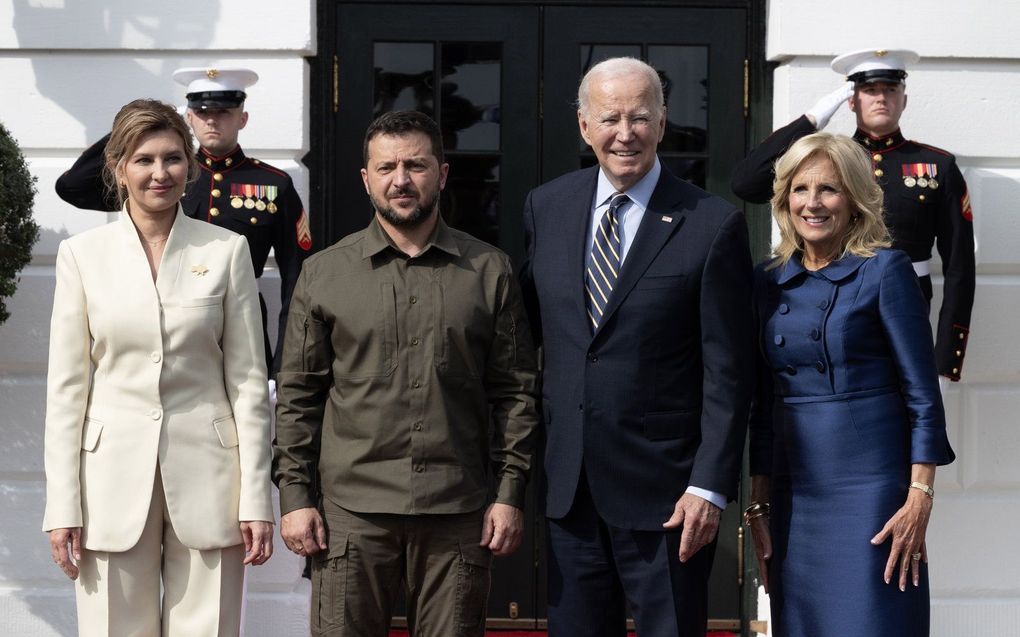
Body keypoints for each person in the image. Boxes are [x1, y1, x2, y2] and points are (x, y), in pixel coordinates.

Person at [272, 110, 540, 637]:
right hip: (352, 515)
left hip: (457, 512)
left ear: (440, 174)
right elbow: (299, 395)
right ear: (366, 178)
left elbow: (516, 392)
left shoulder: (489, 271)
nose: (401, 179)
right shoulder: (325, 273)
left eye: (415, 165)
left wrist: (509, 494)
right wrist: (295, 498)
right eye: (387, 166)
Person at [519, 57, 753, 637]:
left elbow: (730, 371)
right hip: (570, 489)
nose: (625, 134)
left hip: (669, 496)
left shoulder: (711, 223)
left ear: (663, 122)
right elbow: (528, 339)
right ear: (583, 126)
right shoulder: (545, 208)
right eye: (610, 118)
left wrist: (709, 485)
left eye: (640, 117)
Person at [43, 99, 275, 635]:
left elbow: (245, 382)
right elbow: (66, 391)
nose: (160, 173)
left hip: (212, 479)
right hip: (107, 484)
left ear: (190, 168)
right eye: (144, 159)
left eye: (173, 159)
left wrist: (256, 496)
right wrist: (62, 505)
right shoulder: (82, 256)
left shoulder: (227, 250)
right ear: (118, 168)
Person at [746, 132, 956, 636]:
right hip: (796, 493)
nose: (812, 203)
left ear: (855, 199)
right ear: (783, 199)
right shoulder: (766, 280)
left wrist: (920, 494)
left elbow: (922, 394)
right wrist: (759, 502)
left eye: (829, 190)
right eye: (800, 189)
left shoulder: (885, 270)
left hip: (871, 494)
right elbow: (761, 401)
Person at [731, 48, 975, 382]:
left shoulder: (937, 166)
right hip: (832, 299)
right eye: (869, 90)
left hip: (908, 307)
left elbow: (960, 268)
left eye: (890, 90)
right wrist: (812, 120)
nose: (881, 98)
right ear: (851, 99)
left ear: (904, 99)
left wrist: (946, 358)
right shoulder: (828, 160)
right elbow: (746, 183)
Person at [54, 66, 313, 377]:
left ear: (242, 118)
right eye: (201, 112)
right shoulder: (163, 178)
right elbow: (72, 188)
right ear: (189, 117)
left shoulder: (273, 184)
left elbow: (298, 281)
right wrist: (144, 124)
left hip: (241, 329)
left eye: (224, 111)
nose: (212, 120)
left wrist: (284, 369)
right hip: (156, 325)